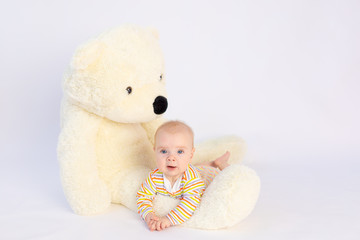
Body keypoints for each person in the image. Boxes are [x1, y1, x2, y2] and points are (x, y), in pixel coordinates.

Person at [136, 121, 230, 231]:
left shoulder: (192, 180)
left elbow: (190, 204)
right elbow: (142, 196)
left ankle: (220, 164)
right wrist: (148, 214)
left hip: (207, 175)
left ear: (191, 154)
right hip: (193, 169)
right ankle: (212, 162)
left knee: (227, 176)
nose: (171, 158)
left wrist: (168, 219)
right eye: (164, 151)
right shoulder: (154, 176)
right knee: (194, 167)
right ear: (155, 151)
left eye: (179, 151)